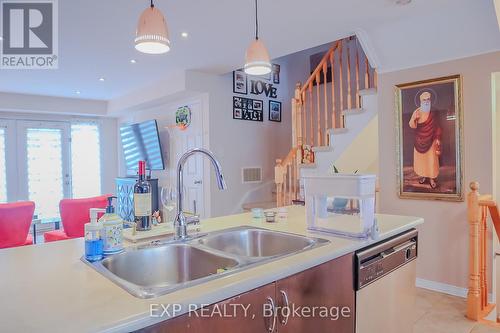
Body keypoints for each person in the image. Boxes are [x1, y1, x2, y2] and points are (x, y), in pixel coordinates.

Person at [408, 92, 442, 189]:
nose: (426, 102)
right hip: (419, 141)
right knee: (421, 161)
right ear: (420, 101)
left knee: (431, 160)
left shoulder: (434, 112)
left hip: (431, 140)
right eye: (424, 100)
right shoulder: (417, 112)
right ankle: (423, 176)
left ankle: (431, 179)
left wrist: (438, 138)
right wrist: (414, 118)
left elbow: (438, 126)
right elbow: (411, 125)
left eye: (428, 100)